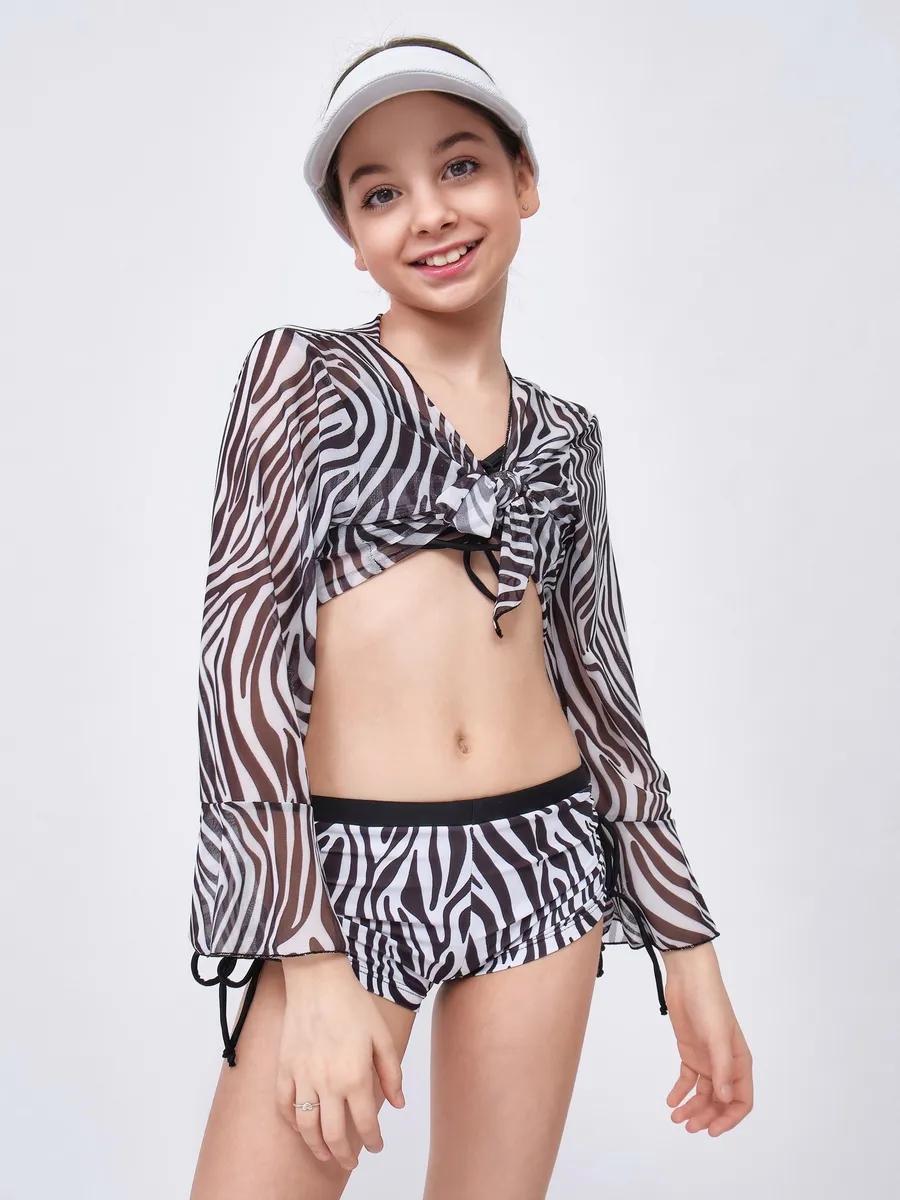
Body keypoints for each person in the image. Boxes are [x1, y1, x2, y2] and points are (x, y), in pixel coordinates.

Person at [188, 35, 753, 1200]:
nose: (430, 213)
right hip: (349, 880)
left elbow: (600, 690)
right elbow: (241, 670)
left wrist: (686, 944)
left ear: (523, 182)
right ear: (351, 236)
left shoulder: (567, 436)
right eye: (380, 192)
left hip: (544, 863)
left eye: (460, 167)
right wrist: (307, 958)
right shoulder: (301, 379)